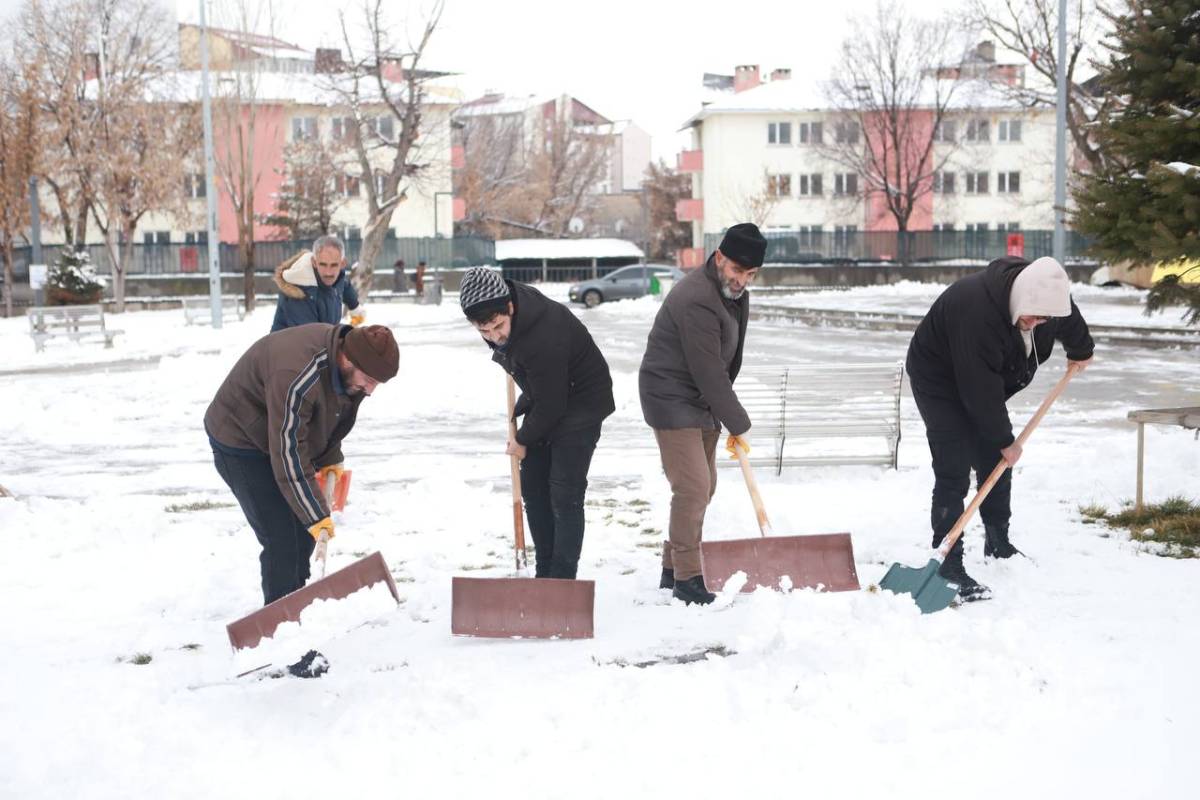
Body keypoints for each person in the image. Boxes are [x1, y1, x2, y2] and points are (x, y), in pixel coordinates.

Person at [906, 255, 1094, 599]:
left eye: (1045, 318)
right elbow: (979, 391)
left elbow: (1069, 317)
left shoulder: (1044, 300)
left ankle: (998, 541)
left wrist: (1082, 349)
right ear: (1021, 299)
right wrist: (1004, 440)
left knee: (996, 458)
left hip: (983, 381)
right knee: (955, 464)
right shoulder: (976, 311)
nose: (1038, 323)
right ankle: (947, 560)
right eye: (1033, 316)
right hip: (940, 379)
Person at [205, 323, 399, 604]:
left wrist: (331, 455)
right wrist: (315, 514)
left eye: (377, 383)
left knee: (305, 531)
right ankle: (281, 628)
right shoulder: (296, 373)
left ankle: (299, 600)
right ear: (347, 359)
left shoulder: (350, 370)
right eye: (369, 379)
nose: (370, 390)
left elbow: (332, 413)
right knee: (281, 539)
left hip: (279, 434)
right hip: (240, 440)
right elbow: (287, 452)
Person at [638, 222, 766, 605]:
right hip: (671, 395)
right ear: (720, 257)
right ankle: (688, 580)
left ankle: (670, 565)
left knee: (704, 486)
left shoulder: (728, 293)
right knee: (692, 487)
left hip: (702, 398)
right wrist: (738, 421)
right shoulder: (697, 297)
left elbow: (721, 364)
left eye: (750, 274)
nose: (742, 280)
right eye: (737, 270)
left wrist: (723, 409)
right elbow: (707, 369)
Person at [458, 267, 615, 579]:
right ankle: (545, 572)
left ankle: (562, 579)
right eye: (484, 332)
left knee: (564, 491)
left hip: (582, 401)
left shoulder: (543, 332)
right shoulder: (507, 312)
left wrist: (522, 440)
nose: (495, 337)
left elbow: (553, 404)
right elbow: (544, 388)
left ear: (510, 307)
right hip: (551, 394)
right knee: (533, 485)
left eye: (499, 326)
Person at [271, 235, 363, 332]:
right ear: (314, 262)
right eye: (323, 264)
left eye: (334, 265)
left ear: (342, 264)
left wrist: (355, 306)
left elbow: (343, 284)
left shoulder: (336, 277)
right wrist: (349, 334)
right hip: (290, 346)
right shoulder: (299, 294)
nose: (328, 272)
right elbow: (313, 338)